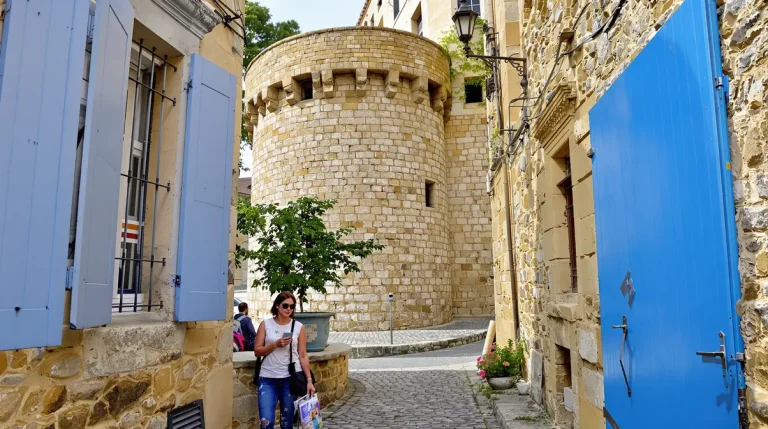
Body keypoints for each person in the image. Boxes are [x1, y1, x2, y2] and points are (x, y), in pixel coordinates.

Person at [254, 292, 316, 429]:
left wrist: (309, 380)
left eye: (292, 306)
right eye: (285, 305)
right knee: (266, 422)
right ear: (277, 305)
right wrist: (275, 344)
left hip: (289, 379)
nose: (289, 309)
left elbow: (303, 354)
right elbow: (257, 351)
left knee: (287, 423)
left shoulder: (298, 326)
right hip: (267, 377)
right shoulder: (266, 324)